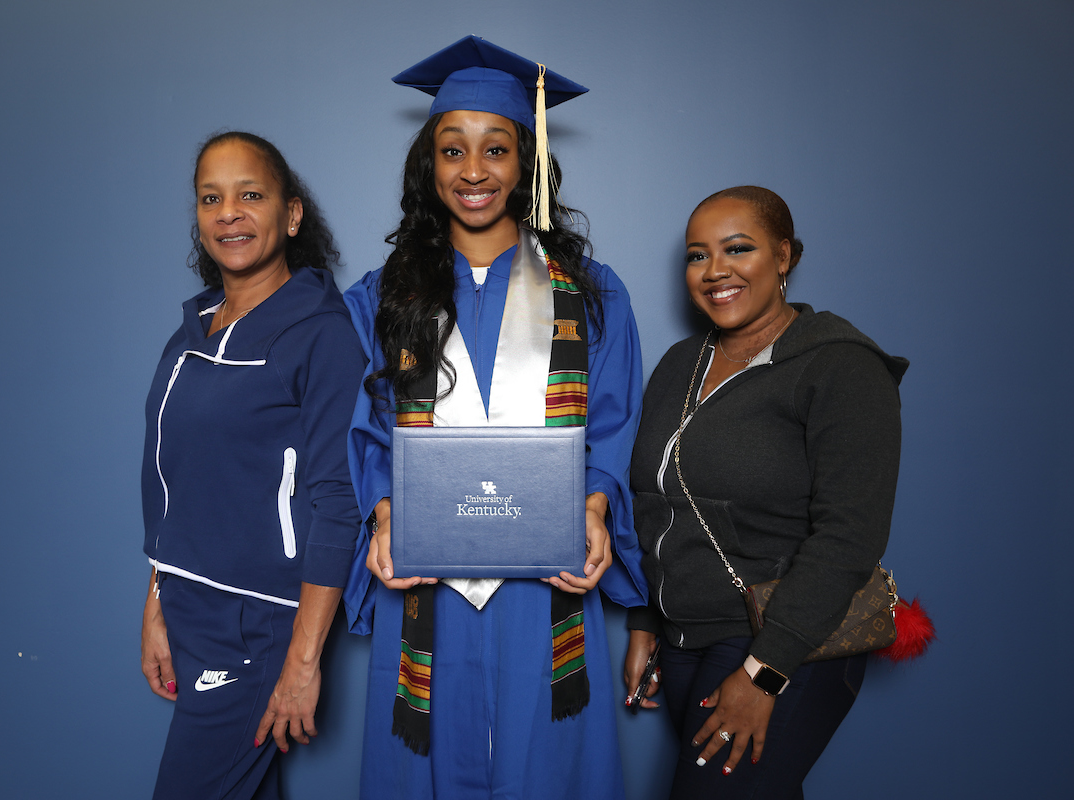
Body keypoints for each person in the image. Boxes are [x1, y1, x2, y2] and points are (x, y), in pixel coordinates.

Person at [342, 36, 647, 799]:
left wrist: (597, 505)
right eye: (452, 150)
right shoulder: (381, 298)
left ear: (526, 164)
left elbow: (612, 423)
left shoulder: (590, 294)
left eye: (496, 149)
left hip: (544, 578)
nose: (473, 171)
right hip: (424, 575)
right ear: (429, 164)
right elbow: (361, 426)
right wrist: (382, 513)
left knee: (543, 755)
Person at [623, 186, 908, 799]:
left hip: (780, 642)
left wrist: (764, 673)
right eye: (697, 256)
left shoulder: (841, 366)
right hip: (682, 641)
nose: (715, 271)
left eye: (738, 249)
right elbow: (655, 503)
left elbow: (850, 536)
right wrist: (647, 618)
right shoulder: (680, 363)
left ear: (783, 256)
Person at [139, 131, 365, 799]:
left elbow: (338, 499)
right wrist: (157, 600)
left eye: (250, 195)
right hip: (188, 607)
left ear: (291, 215)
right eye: (212, 198)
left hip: (260, 620)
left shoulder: (322, 335)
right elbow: (179, 480)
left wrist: (303, 658)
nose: (229, 212)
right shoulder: (195, 328)